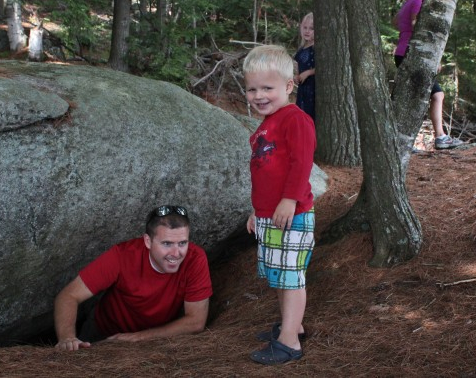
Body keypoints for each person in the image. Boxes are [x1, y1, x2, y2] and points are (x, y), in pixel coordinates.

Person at [242, 45, 316, 365]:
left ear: (288, 86)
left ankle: (289, 344)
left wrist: (289, 200)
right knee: (279, 274)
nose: (259, 95)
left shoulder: (294, 119)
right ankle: (292, 325)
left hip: (292, 214)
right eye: (252, 88)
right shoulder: (265, 124)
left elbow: (302, 164)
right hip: (270, 215)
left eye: (267, 88)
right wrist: (256, 211)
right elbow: (264, 173)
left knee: (291, 275)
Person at [53, 205, 212, 351]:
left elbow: (196, 321)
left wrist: (138, 337)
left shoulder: (194, 259)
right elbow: (68, 296)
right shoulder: (122, 256)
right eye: (167, 244)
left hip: (156, 337)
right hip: (102, 332)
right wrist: (67, 338)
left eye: (183, 243)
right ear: (148, 241)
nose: (177, 253)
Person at [394, 0, 464, 150]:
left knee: (415, 96)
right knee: (437, 94)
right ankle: (440, 137)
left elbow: (397, 23)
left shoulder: (408, 2)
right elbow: (415, 24)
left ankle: (402, 140)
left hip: (404, 53)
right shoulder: (418, 1)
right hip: (412, 54)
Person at [293, 12, 316, 124]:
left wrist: (308, 73)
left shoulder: (315, 48)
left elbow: (323, 68)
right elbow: (299, 68)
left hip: (313, 89)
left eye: (311, 28)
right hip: (303, 90)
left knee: (310, 117)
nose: (307, 31)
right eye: (305, 27)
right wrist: (297, 77)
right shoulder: (302, 49)